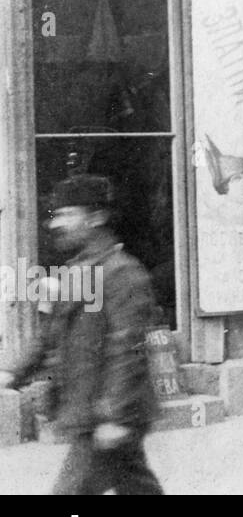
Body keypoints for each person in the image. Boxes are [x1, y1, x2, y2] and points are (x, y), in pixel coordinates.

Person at [0, 175, 162, 495]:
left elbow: (128, 347)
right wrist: (11, 371)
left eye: (67, 214)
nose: (55, 224)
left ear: (96, 217)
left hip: (107, 412)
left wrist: (115, 415)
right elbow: (50, 335)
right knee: (137, 486)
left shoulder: (121, 272)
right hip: (94, 410)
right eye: (55, 215)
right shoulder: (78, 270)